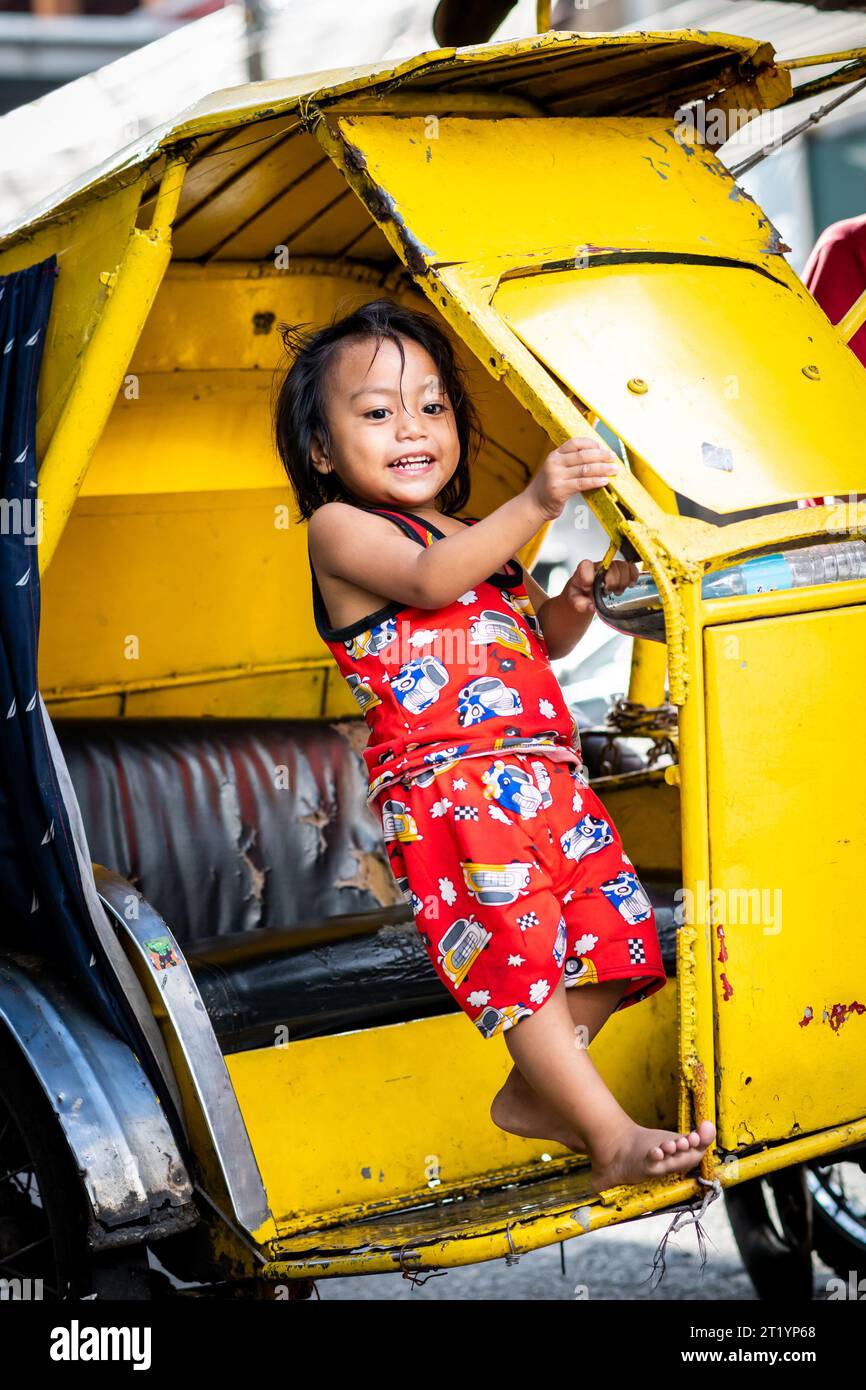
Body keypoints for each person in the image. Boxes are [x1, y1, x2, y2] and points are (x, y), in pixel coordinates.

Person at [272, 297, 715, 1192]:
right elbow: (433, 585)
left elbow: (530, 643)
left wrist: (580, 600)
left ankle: (534, 1090)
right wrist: (540, 498)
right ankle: (607, 1134)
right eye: (377, 412)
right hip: (451, 793)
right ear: (323, 452)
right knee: (517, 955)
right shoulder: (342, 531)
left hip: (548, 776)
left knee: (619, 933)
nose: (413, 428)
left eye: (433, 407)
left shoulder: (477, 541)